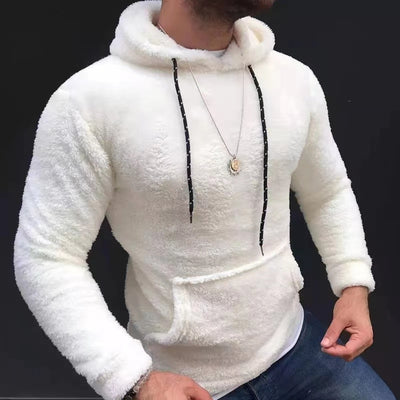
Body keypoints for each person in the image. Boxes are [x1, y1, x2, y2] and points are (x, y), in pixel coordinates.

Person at [13, 0, 396, 399]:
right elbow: (46, 256)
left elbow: (328, 190)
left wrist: (353, 283)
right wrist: (133, 378)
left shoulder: (293, 80)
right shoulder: (88, 102)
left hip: (300, 349)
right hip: (182, 383)